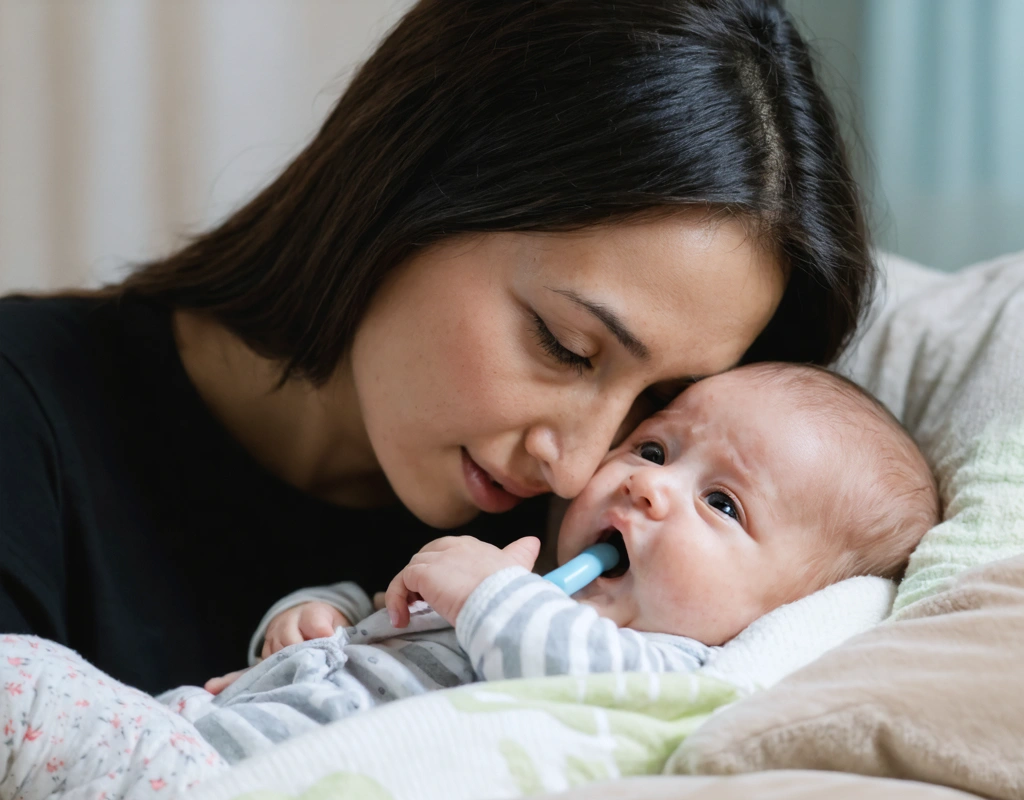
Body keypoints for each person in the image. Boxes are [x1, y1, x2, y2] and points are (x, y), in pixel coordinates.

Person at [0, 0, 874, 702]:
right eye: (565, 346)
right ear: (411, 183)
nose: (574, 470)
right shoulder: (29, 411)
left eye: (658, 406)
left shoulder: (603, 582)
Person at [0, 363, 940, 800]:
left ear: (787, 610)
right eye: (655, 446)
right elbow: (371, 637)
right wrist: (310, 619)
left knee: (22, 678)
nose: (650, 486)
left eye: (723, 505)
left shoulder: (666, 678)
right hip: (195, 734)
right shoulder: (534, 595)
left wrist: (490, 594)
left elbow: (587, 676)